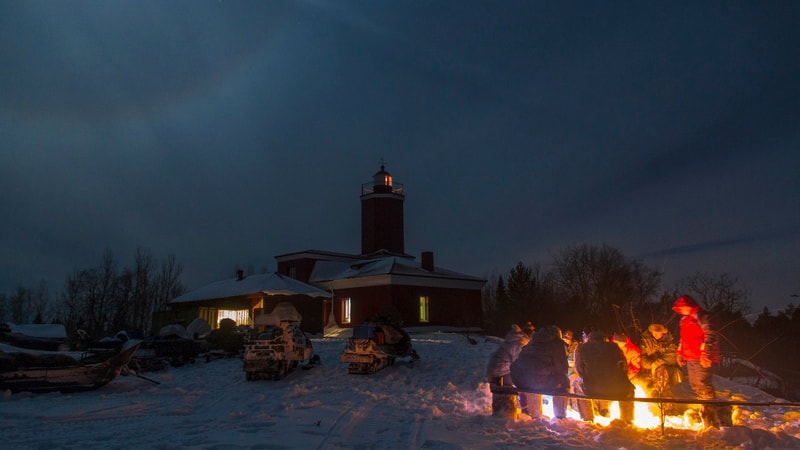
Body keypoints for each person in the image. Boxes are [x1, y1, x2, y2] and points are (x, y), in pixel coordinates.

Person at [673, 295, 733, 428]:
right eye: (679, 308)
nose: (681, 310)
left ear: (689, 305)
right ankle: (707, 411)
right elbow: (683, 339)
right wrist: (679, 353)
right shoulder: (684, 320)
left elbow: (710, 334)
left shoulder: (702, 316)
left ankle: (712, 418)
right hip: (690, 357)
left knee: (703, 384)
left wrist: (706, 353)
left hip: (701, 357)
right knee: (695, 385)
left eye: (682, 307)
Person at [573, 330, 635, 423]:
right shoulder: (614, 346)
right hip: (617, 387)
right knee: (629, 390)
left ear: (589, 338)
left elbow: (579, 369)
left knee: (577, 384)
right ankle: (627, 420)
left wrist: (588, 378)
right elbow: (624, 366)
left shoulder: (582, 348)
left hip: (592, 387)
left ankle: (588, 418)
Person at [510, 325, 570, 419]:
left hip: (519, 380)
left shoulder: (532, 341)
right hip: (535, 381)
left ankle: (535, 414)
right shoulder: (557, 343)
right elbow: (562, 369)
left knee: (533, 377)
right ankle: (560, 417)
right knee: (564, 380)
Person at [486, 324, 531, 418]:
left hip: (497, 369)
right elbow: (518, 363)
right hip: (500, 371)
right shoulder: (519, 343)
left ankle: (518, 409)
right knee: (523, 382)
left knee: (520, 380)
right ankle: (524, 410)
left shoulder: (514, 340)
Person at [638, 323, 680, 398]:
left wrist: (656, 364)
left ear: (663, 333)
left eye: (658, 333)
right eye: (654, 332)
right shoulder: (646, 341)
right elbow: (642, 358)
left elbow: (671, 357)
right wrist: (651, 366)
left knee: (662, 375)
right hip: (649, 369)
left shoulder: (670, 341)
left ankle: (665, 400)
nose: (655, 334)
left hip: (665, 369)